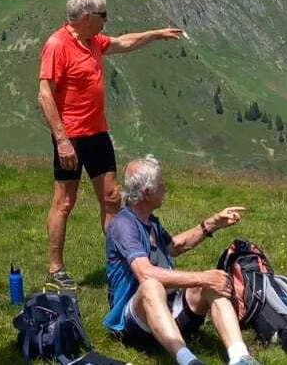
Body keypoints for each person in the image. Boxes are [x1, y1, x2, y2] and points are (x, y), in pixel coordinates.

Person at [39, 0, 187, 292]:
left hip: (98, 133)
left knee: (111, 198)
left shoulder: (93, 41)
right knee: (65, 201)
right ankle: (55, 269)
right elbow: (44, 95)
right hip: (71, 137)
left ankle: (121, 262)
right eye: (103, 15)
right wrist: (62, 140)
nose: (107, 20)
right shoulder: (57, 44)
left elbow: (122, 42)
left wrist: (156, 34)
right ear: (87, 16)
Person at [103, 154, 261, 365]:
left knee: (214, 281)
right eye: (161, 184)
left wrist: (212, 223)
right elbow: (145, 273)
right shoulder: (124, 225)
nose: (165, 188)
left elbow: (174, 247)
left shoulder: (151, 222)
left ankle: (240, 357)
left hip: (168, 310)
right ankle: (187, 360)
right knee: (152, 286)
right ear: (147, 193)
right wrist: (202, 279)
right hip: (133, 324)